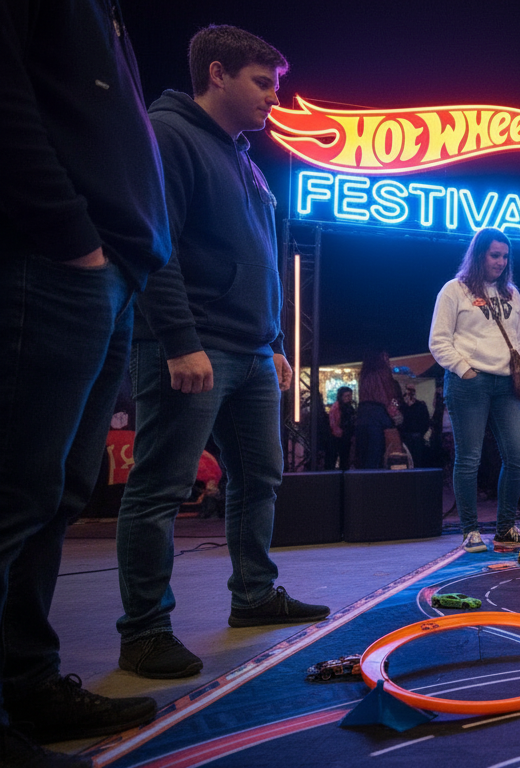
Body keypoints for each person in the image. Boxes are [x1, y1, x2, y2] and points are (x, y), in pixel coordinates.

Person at [115, 25, 329, 682]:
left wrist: (276, 342)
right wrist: (180, 341)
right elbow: (156, 246)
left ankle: (254, 596)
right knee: (160, 487)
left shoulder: (243, 158)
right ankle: (145, 632)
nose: (274, 98)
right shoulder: (168, 134)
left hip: (252, 350)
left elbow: (261, 262)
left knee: (260, 479)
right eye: (263, 84)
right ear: (217, 73)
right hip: (195, 346)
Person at [1, 1, 172, 761]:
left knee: (56, 494)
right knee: (15, 493)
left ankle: (28, 686)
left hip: (107, 272)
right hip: (58, 260)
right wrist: (70, 234)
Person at [429, 228, 520, 553]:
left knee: (518, 456)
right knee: (469, 458)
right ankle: (470, 531)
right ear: (479, 255)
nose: (501, 262)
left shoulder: (512, 294)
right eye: (494, 255)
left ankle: (505, 529)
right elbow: (438, 340)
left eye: (505, 256)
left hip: (506, 384)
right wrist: (465, 370)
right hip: (469, 383)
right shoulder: (454, 290)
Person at [353, 352, 404, 468]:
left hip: (362, 415)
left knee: (364, 456)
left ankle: (363, 478)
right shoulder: (383, 372)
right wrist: (394, 412)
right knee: (377, 456)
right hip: (378, 415)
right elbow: (387, 396)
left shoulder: (364, 375)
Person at [400, 384, 430, 468]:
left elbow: (426, 421)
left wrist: (420, 432)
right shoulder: (403, 406)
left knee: (417, 460)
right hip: (406, 436)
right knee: (407, 459)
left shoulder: (420, 405)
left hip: (416, 436)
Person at [327, 386, 355, 470]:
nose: (349, 398)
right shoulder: (336, 407)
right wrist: (340, 433)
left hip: (346, 436)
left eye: (350, 396)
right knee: (334, 458)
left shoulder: (349, 407)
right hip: (338, 437)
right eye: (346, 396)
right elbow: (333, 423)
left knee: (345, 459)